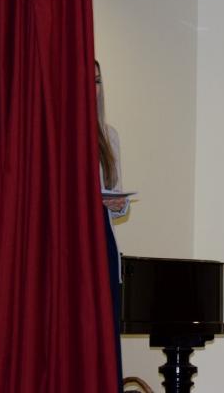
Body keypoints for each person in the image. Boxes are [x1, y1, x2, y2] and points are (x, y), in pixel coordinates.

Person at [96, 60, 129, 391]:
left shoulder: (109, 136)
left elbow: (115, 194)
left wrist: (119, 204)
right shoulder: (58, 131)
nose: (93, 87)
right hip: (73, 241)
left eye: (97, 81)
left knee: (105, 331)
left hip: (103, 239)